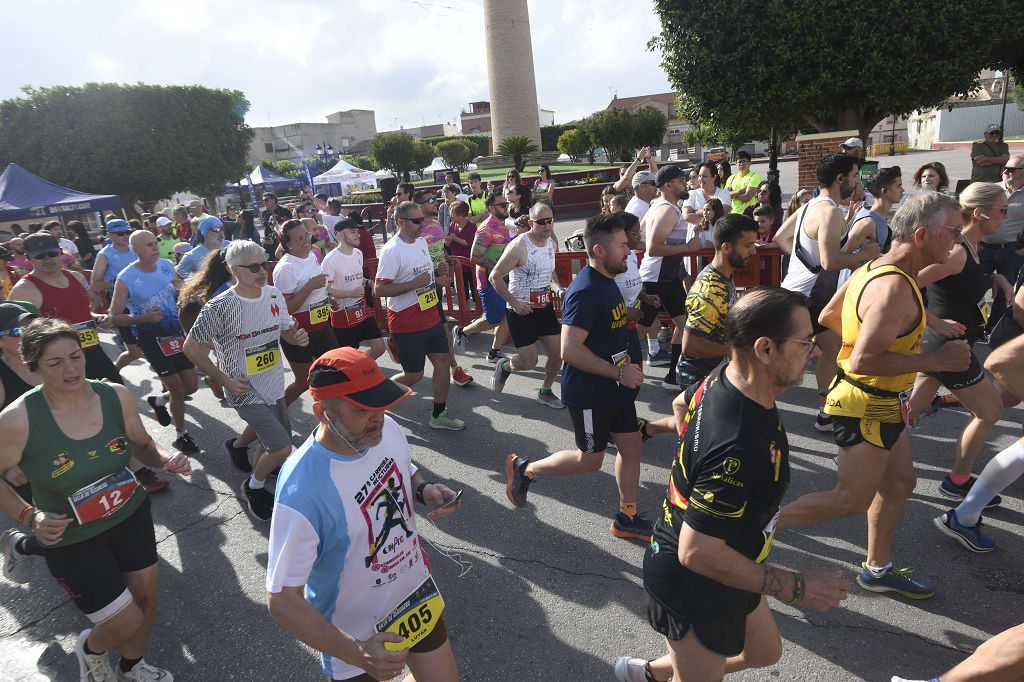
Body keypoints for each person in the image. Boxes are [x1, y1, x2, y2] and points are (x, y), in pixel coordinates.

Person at [615, 287, 849, 682]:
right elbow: (696, 552)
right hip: (694, 582)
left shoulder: (729, 375)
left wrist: (695, 457)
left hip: (731, 559)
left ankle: (651, 672)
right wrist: (797, 588)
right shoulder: (737, 445)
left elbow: (680, 404)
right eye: (805, 342)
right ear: (765, 349)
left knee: (764, 652)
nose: (815, 352)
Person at [777, 190, 971, 600]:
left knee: (900, 482)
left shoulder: (874, 268)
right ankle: (744, 525)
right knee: (849, 499)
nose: (958, 239)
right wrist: (936, 361)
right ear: (921, 235)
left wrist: (876, 338)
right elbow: (864, 360)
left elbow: (830, 316)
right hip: (864, 404)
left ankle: (877, 568)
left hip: (884, 402)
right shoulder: (894, 289)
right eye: (953, 231)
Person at [0, 317, 191, 682]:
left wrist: (166, 458)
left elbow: (142, 445)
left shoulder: (114, 396)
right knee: (124, 621)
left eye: (76, 356)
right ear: (34, 367)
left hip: (131, 514)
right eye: (55, 363)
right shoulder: (17, 420)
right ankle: (92, 650)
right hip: (73, 538)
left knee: (146, 602)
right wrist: (29, 515)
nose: (71, 369)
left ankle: (133, 666)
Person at [265, 348, 461, 682]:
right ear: (323, 413)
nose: (379, 417)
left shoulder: (384, 429)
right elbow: (282, 599)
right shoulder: (303, 489)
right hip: (355, 638)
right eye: (362, 409)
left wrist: (422, 489)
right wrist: (359, 651)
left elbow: (404, 467)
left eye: (381, 405)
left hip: (414, 598)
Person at [505, 213, 652, 540]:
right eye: (623, 245)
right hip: (590, 393)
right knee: (590, 460)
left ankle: (626, 517)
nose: (629, 250)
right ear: (600, 251)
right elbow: (569, 349)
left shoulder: (608, 280)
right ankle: (525, 469)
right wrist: (620, 371)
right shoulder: (585, 290)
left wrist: (629, 350)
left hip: (615, 386)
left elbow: (608, 324)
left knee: (631, 446)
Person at [185, 240, 310, 522]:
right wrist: (224, 379)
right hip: (241, 387)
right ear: (233, 270)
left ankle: (253, 466)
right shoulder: (220, 306)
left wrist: (296, 337)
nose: (261, 271)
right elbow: (191, 349)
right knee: (282, 446)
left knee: (271, 444)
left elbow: (287, 330)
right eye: (253, 267)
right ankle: (252, 487)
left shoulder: (274, 294)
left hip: (273, 382)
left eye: (264, 264)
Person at [903, 182, 1011, 502]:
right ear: (979, 213)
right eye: (1002, 210)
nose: (1005, 217)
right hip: (949, 346)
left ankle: (866, 448)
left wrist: (996, 279)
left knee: (910, 410)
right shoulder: (957, 252)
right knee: (989, 411)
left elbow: (964, 283)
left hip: (948, 342)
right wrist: (934, 321)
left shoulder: (970, 246)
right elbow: (902, 284)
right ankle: (958, 480)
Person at [773, 153, 879, 431]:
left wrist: (804, 263)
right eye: (855, 176)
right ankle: (747, 404)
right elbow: (830, 262)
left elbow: (781, 238)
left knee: (832, 350)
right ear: (840, 178)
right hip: (807, 297)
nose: (857, 183)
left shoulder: (811, 205)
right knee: (780, 358)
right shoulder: (830, 211)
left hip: (802, 292)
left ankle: (826, 412)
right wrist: (864, 254)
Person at [375, 201, 465, 430]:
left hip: (431, 315)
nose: (421, 224)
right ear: (401, 223)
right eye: (416, 221)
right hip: (406, 322)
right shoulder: (391, 251)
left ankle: (439, 414)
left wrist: (438, 273)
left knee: (443, 363)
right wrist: (414, 284)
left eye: (422, 219)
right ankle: (375, 399)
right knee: (414, 375)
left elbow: (425, 276)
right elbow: (380, 289)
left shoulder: (422, 243)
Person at [109, 230, 200, 454]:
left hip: (175, 333)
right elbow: (114, 316)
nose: (155, 248)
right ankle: (182, 435)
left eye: (155, 243)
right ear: (136, 250)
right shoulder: (126, 277)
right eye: (148, 245)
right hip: (151, 338)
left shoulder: (166, 265)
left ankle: (159, 400)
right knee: (178, 389)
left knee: (191, 386)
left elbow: (181, 288)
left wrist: (191, 295)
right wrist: (142, 318)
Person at [488, 203, 563, 406]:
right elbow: (494, 276)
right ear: (531, 223)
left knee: (558, 354)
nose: (548, 226)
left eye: (550, 220)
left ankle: (545, 391)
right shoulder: (520, 245)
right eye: (542, 222)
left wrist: (558, 288)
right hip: (520, 310)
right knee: (529, 362)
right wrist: (514, 302)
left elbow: (551, 274)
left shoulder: (551, 242)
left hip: (544, 308)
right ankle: (505, 367)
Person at [673, 214, 759, 392]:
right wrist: (735, 351)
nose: (754, 251)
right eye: (748, 245)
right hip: (700, 381)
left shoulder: (724, 274)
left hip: (714, 374)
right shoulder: (710, 291)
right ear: (726, 248)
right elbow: (691, 346)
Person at [639, 165, 703, 388]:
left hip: (670, 277)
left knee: (684, 323)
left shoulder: (659, 206)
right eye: (680, 180)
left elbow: (641, 234)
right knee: (637, 328)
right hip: (654, 278)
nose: (684, 182)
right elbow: (654, 248)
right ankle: (608, 366)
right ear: (668, 185)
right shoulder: (667, 210)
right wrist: (687, 247)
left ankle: (672, 377)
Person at [273, 219, 338, 405]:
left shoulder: (311, 255)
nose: (305, 241)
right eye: (299, 238)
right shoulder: (285, 268)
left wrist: (327, 299)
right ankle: (277, 413)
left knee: (334, 370)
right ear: (288, 245)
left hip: (321, 325)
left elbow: (319, 287)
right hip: (298, 332)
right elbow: (285, 309)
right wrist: (309, 286)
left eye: (306, 235)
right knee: (303, 383)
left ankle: (333, 414)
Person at [414, 190, 474, 388]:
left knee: (439, 328)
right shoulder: (415, 231)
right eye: (429, 200)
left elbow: (440, 251)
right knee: (441, 329)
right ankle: (454, 369)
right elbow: (413, 264)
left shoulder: (437, 225)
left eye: (434, 199)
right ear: (419, 206)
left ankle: (453, 370)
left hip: (437, 288)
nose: (435, 202)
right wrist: (435, 274)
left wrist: (449, 260)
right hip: (422, 288)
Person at [451, 192, 513, 365]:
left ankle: (494, 352)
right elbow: (474, 257)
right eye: (502, 205)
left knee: (507, 316)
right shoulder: (486, 229)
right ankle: (462, 332)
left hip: (502, 279)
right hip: (488, 281)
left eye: (506, 204)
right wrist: (497, 266)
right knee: (493, 320)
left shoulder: (504, 225)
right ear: (491, 208)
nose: (506, 207)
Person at [321, 219, 385, 358]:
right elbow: (325, 289)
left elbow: (356, 277)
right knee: (348, 358)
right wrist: (349, 293)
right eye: (352, 232)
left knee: (379, 348)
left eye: (357, 231)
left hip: (362, 311)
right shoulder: (330, 260)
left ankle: (361, 369)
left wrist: (368, 282)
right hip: (342, 317)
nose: (357, 235)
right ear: (339, 236)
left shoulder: (358, 253)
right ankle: (358, 372)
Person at [90, 219, 144, 371]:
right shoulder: (105, 255)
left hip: (143, 300)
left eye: (128, 232)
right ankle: (114, 373)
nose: (126, 236)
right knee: (135, 352)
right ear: (109, 235)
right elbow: (95, 284)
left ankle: (167, 384)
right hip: (122, 304)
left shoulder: (135, 249)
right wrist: (120, 284)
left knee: (154, 342)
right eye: (121, 233)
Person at [978, 153, 1024, 332]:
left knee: (1005, 294)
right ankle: (973, 323)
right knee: (977, 286)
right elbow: (973, 214)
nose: (1006, 172)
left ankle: (993, 328)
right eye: (1005, 168)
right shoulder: (992, 191)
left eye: (1012, 169)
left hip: (1012, 252)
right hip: (984, 248)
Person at [175, 215, 227, 280]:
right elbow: (177, 280)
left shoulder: (231, 246)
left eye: (222, 229)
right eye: (216, 229)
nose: (221, 233)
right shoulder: (191, 256)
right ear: (204, 232)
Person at [683, 162, 733, 227]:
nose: (700, 179)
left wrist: (696, 212)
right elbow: (686, 216)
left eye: (704, 176)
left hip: (715, 236)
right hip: (695, 236)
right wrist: (709, 219)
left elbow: (720, 213)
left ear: (714, 177)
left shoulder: (723, 193)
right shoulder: (692, 194)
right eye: (700, 176)